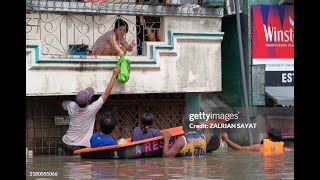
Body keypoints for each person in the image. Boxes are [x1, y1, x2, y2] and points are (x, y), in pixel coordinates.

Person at [61, 66, 120, 155]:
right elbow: (106, 94)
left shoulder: (71, 105)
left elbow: (61, 103)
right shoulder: (92, 108)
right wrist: (114, 75)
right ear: (89, 101)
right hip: (80, 146)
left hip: (66, 142)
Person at [221, 128, 294, 153]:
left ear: (271, 138)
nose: (264, 136)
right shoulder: (283, 149)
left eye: (267, 135)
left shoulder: (259, 147)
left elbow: (239, 149)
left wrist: (227, 140)